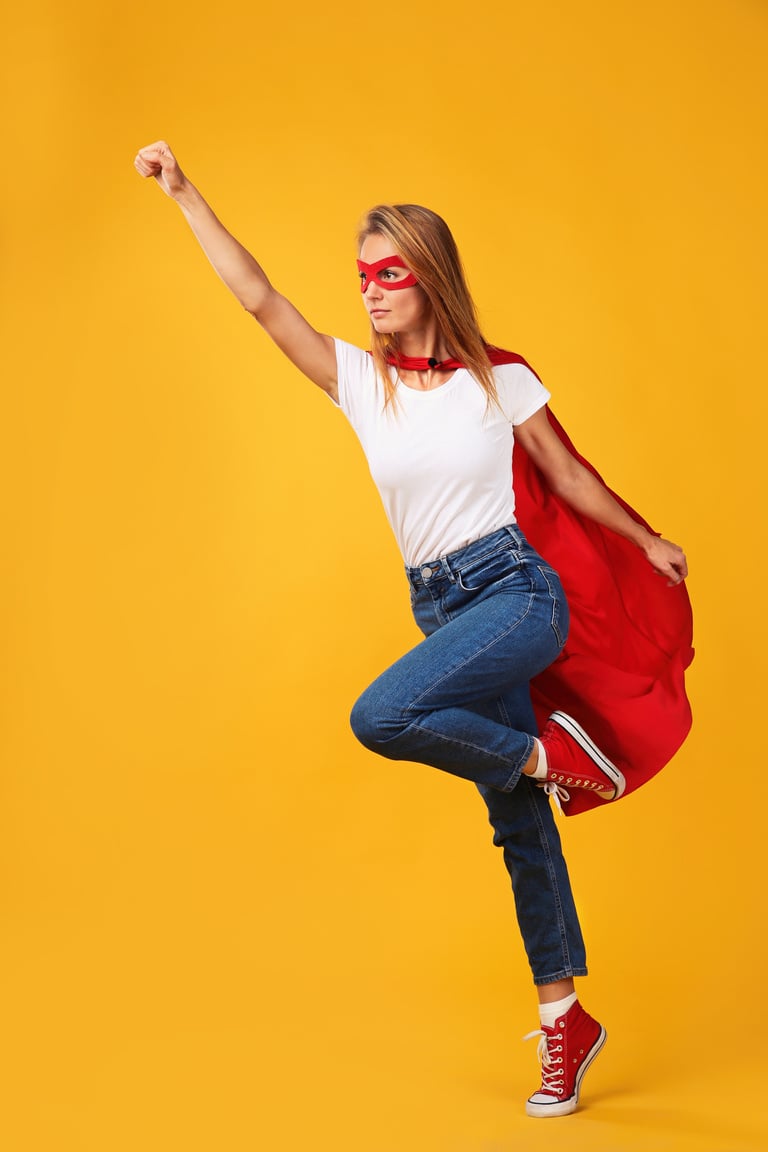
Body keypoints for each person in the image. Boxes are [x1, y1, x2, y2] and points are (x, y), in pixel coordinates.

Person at [134, 141, 689, 1118]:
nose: (373, 291)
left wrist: (645, 539)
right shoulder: (362, 382)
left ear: (429, 278)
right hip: (440, 606)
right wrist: (185, 195)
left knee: (379, 713)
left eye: (389, 272)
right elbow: (261, 298)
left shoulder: (498, 378)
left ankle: (544, 758)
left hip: (517, 594)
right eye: (363, 276)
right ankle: (567, 1020)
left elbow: (564, 477)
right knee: (518, 824)